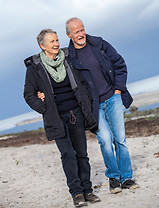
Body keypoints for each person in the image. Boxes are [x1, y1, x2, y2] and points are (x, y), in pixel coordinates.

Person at [23, 29, 100, 207]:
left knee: (82, 154)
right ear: (42, 46)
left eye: (57, 40)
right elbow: (29, 94)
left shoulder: (68, 59)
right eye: (52, 41)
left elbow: (81, 82)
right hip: (56, 118)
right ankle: (77, 193)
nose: (56, 44)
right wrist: (45, 108)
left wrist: (87, 101)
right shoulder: (35, 68)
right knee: (68, 154)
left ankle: (88, 190)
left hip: (76, 113)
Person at [65, 17, 139, 194]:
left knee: (120, 140)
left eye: (82, 29)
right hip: (93, 107)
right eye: (77, 32)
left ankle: (126, 178)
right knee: (105, 141)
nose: (81, 34)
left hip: (113, 98)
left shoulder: (99, 44)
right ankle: (113, 178)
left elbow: (120, 64)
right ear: (69, 35)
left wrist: (118, 89)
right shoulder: (69, 58)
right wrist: (40, 92)